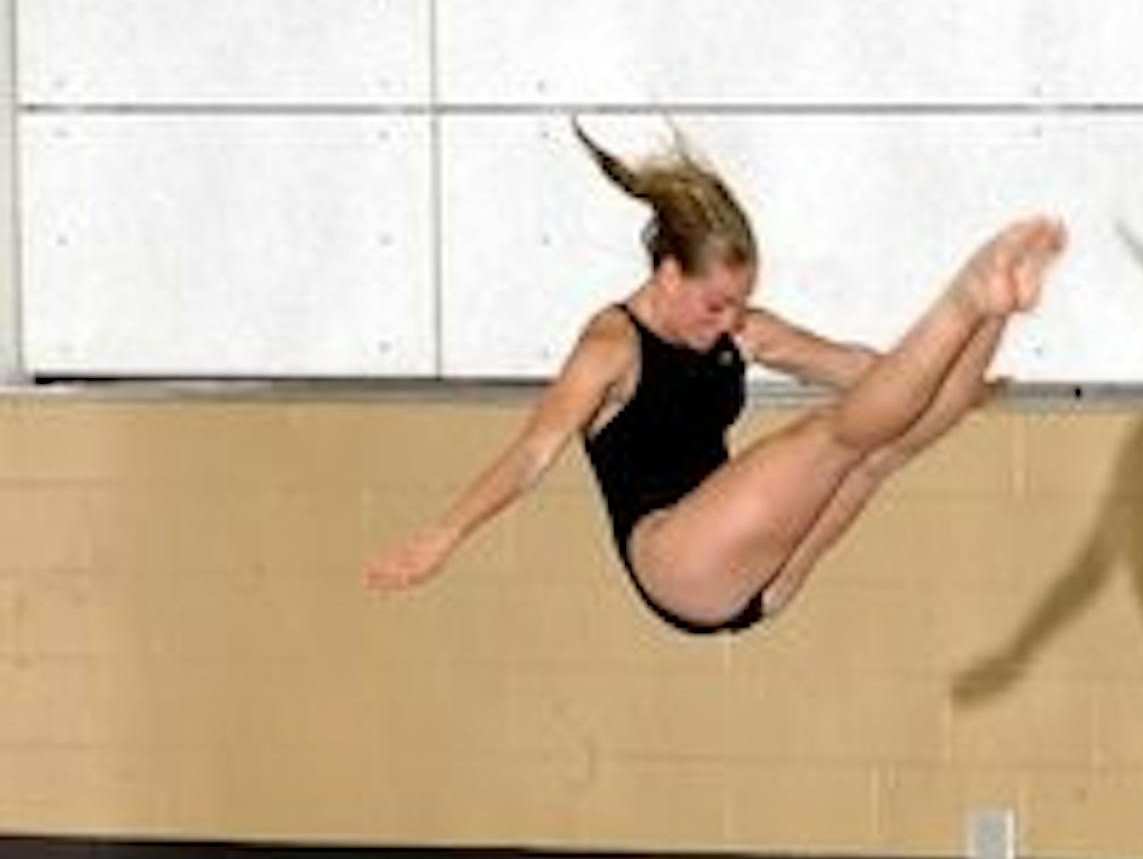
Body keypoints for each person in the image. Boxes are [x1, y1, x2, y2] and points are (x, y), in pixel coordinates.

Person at [363, 123, 1066, 634]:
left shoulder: (737, 328)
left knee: (883, 448)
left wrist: (959, 386)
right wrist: (446, 533)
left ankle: (993, 311)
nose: (729, 318)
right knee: (833, 436)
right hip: (678, 558)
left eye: (739, 300)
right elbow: (532, 453)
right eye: (714, 302)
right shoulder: (612, 346)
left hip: (760, 582)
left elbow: (861, 369)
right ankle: (971, 293)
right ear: (668, 274)